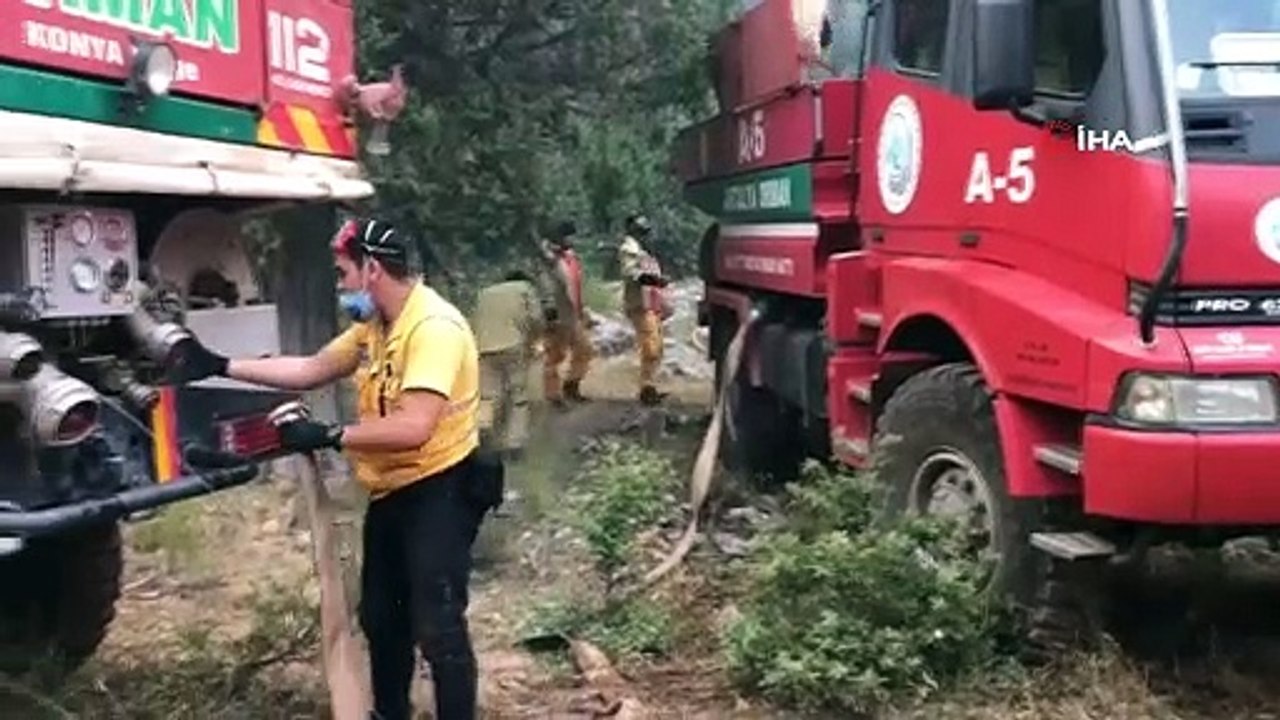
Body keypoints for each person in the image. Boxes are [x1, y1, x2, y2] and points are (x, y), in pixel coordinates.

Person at [165, 217, 497, 720]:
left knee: (438, 624)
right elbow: (311, 368)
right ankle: (389, 713)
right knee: (383, 619)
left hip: (441, 488)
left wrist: (330, 435)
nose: (340, 284)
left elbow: (414, 427)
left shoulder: (433, 329)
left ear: (372, 270)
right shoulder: (375, 327)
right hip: (391, 490)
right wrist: (219, 366)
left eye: (343, 272)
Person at [471, 269, 541, 461]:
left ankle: (484, 425)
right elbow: (535, 318)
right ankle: (514, 444)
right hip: (513, 345)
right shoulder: (525, 288)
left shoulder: (484, 293)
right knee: (518, 394)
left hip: (483, 346)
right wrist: (533, 339)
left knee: (488, 394)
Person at [538, 220, 595, 408]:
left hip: (573, 313)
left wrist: (582, 308)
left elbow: (575, 284)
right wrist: (548, 310)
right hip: (556, 314)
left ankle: (571, 385)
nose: (572, 239)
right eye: (568, 236)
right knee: (555, 356)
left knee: (585, 350)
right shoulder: (549, 258)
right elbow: (545, 285)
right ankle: (553, 396)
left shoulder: (570, 258)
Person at [618, 213, 671, 406]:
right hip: (640, 304)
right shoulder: (628, 249)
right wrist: (655, 280)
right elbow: (631, 273)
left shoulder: (642, 249)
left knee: (656, 347)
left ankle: (649, 387)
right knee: (650, 348)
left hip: (651, 304)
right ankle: (646, 390)